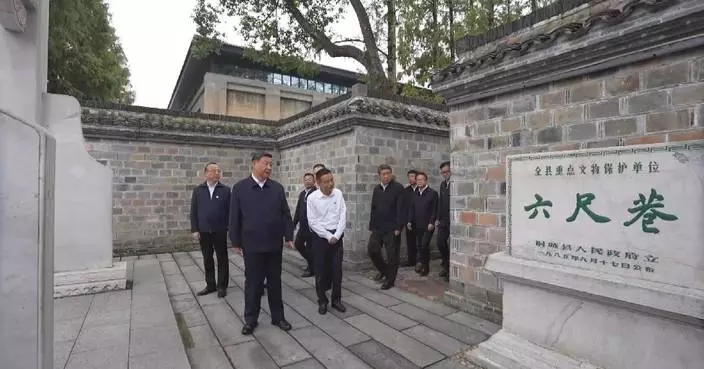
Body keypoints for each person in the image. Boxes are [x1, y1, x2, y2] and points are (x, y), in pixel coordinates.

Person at [229, 152, 294, 335]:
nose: (269, 168)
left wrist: (288, 236)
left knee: (275, 282)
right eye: (266, 163)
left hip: (274, 245)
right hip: (252, 246)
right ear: (254, 164)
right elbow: (234, 216)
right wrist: (235, 240)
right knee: (253, 283)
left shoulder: (277, 188)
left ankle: (278, 317)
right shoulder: (240, 188)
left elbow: (285, 214)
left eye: (271, 164)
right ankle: (251, 319)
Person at [307, 168, 347, 315]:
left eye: (332, 180)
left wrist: (336, 235)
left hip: (337, 236)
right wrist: (327, 236)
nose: (330, 184)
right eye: (326, 181)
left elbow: (343, 215)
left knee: (337, 270)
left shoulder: (338, 194)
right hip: (320, 238)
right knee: (321, 271)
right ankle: (322, 300)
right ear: (318, 183)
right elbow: (313, 222)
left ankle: (336, 300)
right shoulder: (312, 198)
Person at [190, 162, 231, 298]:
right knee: (207, 258)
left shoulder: (225, 190)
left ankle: (222, 286)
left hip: (220, 230)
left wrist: (230, 227)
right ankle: (211, 284)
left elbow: (230, 211)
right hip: (204, 231)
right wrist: (195, 229)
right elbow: (193, 211)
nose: (216, 174)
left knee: (222, 258)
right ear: (206, 173)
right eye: (213, 171)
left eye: (218, 171)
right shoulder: (198, 190)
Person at [367, 164, 405, 290]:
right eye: (383, 174)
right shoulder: (377, 189)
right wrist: (372, 226)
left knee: (392, 255)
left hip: (392, 228)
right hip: (378, 227)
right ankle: (384, 270)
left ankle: (390, 280)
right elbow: (374, 207)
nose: (386, 176)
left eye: (388, 173)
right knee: (372, 250)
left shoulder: (398, 188)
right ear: (379, 175)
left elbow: (401, 209)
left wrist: (399, 227)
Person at [407, 172, 438, 276]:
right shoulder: (415, 193)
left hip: (428, 225)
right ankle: (425, 266)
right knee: (420, 245)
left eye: (421, 179)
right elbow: (411, 208)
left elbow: (435, 209)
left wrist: (432, 222)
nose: (419, 181)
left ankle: (420, 261)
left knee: (424, 244)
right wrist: (409, 221)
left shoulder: (432, 193)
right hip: (417, 224)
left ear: (426, 181)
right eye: (418, 180)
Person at [292, 173, 316, 277]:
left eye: (310, 179)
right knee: (298, 244)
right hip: (303, 227)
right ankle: (312, 262)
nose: (307, 181)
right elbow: (298, 210)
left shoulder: (316, 193)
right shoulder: (302, 194)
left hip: (311, 227)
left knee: (310, 248)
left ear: (314, 181)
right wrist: (294, 224)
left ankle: (312, 269)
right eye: (305, 180)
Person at [437, 161, 451, 282]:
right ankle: (446, 264)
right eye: (443, 173)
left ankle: (450, 270)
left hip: (453, 220)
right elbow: (441, 202)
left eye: (447, 171)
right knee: (440, 242)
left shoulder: (455, 183)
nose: (445, 174)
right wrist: (438, 218)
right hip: (443, 220)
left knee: (453, 245)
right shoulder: (442, 184)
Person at [403, 170, 419, 269]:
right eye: (409, 176)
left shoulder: (420, 189)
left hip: (419, 219)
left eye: (412, 176)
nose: (410, 178)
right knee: (410, 240)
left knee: (420, 241)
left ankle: (420, 261)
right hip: (408, 219)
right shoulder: (406, 190)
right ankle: (411, 260)